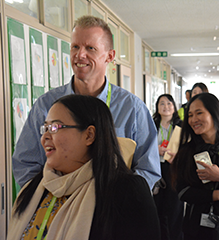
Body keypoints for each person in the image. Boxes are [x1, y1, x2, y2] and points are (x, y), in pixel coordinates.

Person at [12, 15, 161, 189]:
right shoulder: (46, 105)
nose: (80, 55)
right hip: (59, 210)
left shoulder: (132, 109)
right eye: (75, 46)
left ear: (109, 56)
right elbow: (25, 164)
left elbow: (148, 170)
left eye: (90, 48)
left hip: (112, 210)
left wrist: (119, 201)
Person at [7, 95, 160, 240]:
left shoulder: (126, 192)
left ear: (89, 135)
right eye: (45, 128)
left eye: (55, 127)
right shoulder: (34, 188)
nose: (45, 137)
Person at [172, 93, 219, 240]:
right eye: (190, 115)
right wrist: (218, 195)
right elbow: (182, 192)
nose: (194, 120)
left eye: (199, 113)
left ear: (214, 113)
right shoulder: (187, 151)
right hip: (195, 228)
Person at [152, 94, 183, 240]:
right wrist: (155, 149)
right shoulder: (151, 124)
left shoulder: (181, 125)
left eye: (169, 103)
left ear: (174, 107)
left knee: (174, 207)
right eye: (162, 104)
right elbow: (143, 145)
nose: (166, 107)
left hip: (173, 169)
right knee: (157, 206)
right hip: (155, 167)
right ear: (157, 108)